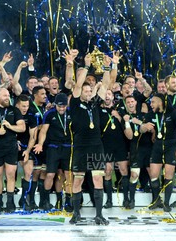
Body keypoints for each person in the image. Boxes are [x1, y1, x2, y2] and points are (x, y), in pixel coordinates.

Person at [68, 51, 110, 225]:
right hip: (80, 146)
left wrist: (108, 66)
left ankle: (99, 214)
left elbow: (106, 84)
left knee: (98, 178)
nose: (87, 92)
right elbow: (77, 85)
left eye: (89, 90)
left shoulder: (95, 103)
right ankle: (76, 213)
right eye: (85, 90)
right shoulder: (76, 103)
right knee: (78, 179)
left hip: (95, 146)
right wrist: (85, 65)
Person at [141, 93, 176, 212]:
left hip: (171, 145)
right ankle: (156, 200)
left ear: (160, 103)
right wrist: (144, 126)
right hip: (157, 145)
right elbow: (141, 129)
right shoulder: (151, 114)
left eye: (153, 102)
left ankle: (166, 202)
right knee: (154, 175)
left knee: (168, 175)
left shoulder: (173, 113)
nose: (151, 105)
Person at [34, 93, 73, 211]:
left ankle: (67, 201)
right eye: (59, 106)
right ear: (55, 104)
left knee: (66, 174)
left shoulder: (71, 112)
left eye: (64, 106)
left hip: (68, 147)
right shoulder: (49, 114)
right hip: (53, 147)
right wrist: (40, 144)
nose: (62, 109)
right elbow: (43, 131)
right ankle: (45, 200)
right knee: (50, 174)